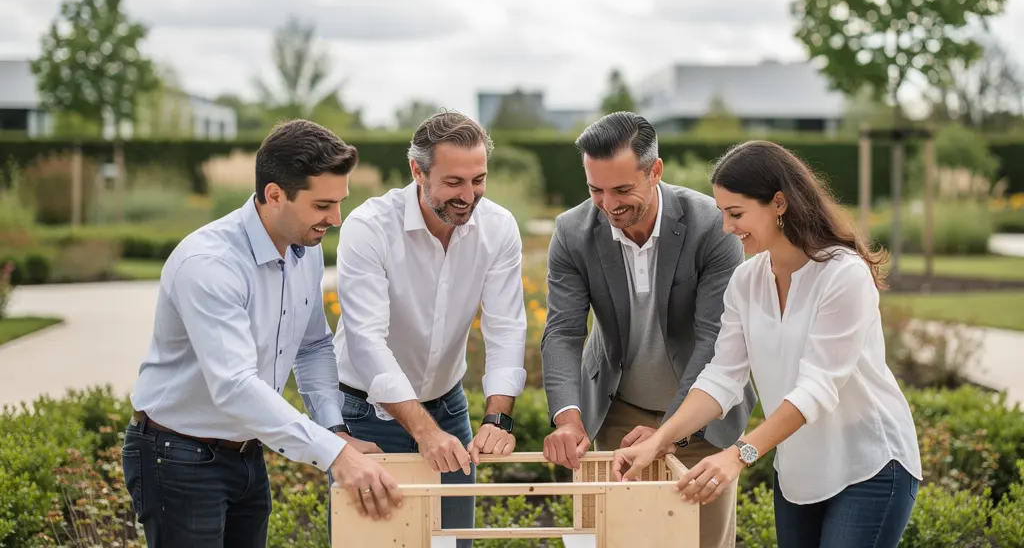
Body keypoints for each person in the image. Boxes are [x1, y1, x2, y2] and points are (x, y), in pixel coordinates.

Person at [612, 140, 923, 547]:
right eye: (723, 213)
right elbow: (723, 376)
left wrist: (738, 454)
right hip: (798, 470)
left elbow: (817, 386)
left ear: (779, 203)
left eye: (736, 213)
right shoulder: (746, 280)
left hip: (870, 464)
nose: (727, 227)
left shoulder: (843, 275)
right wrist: (660, 437)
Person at [121, 119, 402, 548]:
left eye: (339, 203)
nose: (336, 219)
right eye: (323, 205)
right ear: (274, 195)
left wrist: (334, 429)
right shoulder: (209, 264)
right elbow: (234, 386)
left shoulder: (305, 249)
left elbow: (312, 346)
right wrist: (334, 455)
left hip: (248, 455)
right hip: (177, 457)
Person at [540, 111, 756, 548]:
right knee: (622, 539)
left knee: (702, 541)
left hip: (702, 412)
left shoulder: (712, 226)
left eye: (622, 190)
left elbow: (715, 340)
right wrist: (568, 417)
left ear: (655, 171)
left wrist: (669, 431)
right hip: (619, 410)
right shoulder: (572, 232)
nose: (608, 204)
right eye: (596, 190)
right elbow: (563, 330)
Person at [332, 111, 527, 547]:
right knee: (371, 542)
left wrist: (498, 417)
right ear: (417, 171)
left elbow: (506, 328)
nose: (469, 195)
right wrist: (423, 432)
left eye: (478, 180)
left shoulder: (499, 228)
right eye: (454, 182)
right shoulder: (369, 227)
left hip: (447, 408)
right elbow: (366, 341)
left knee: (455, 542)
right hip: (366, 414)